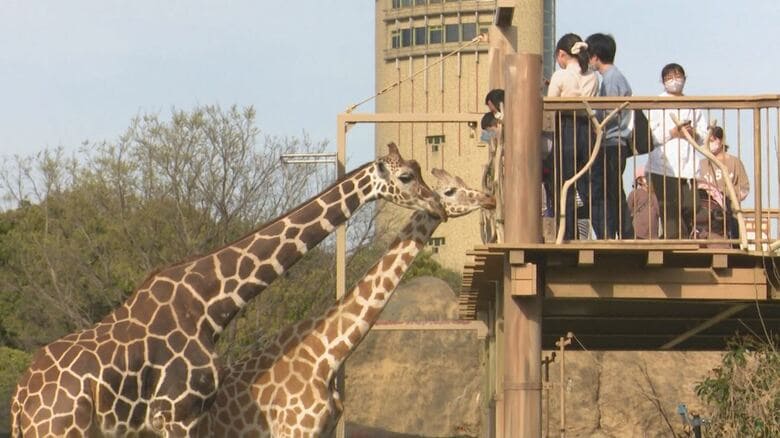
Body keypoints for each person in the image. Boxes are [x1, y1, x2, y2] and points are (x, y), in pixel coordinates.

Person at [644, 63, 708, 239]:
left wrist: (692, 133)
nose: (674, 80)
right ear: (663, 81)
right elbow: (650, 136)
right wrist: (672, 133)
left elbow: (704, 135)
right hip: (663, 166)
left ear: (684, 78)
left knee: (691, 204)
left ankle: (683, 236)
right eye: (669, 77)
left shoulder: (693, 104)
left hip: (688, 167)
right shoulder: (656, 103)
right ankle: (675, 243)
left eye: (677, 76)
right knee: (670, 209)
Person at [547, 33, 599, 240]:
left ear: (562, 54)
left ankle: (566, 233)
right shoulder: (592, 77)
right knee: (586, 184)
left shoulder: (560, 76)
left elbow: (550, 103)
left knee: (563, 184)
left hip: (566, 129)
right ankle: (587, 234)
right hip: (587, 129)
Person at [585, 33, 634, 240]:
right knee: (612, 189)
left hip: (613, 142)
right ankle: (621, 232)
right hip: (615, 142)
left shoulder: (612, 79)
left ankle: (622, 233)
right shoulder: (613, 77)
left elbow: (610, 113)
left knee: (609, 191)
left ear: (595, 56)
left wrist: (591, 114)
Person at [695, 125, 749, 240]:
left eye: (711, 140)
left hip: (730, 215)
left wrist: (729, 195)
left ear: (720, 141)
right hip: (706, 218)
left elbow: (744, 188)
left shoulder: (734, 162)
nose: (709, 144)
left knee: (733, 244)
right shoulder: (701, 164)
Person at [627, 166, 660, 239]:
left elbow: (659, 211)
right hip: (638, 233)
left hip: (653, 234)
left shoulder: (654, 194)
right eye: (646, 177)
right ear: (639, 180)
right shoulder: (634, 194)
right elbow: (627, 211)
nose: (649, 179)